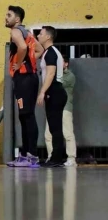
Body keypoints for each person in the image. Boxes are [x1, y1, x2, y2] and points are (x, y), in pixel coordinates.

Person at [5, 6, 43, 168]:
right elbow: (40, 50)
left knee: (26, 115)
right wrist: (28, 60)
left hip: (24, 79)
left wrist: (19, 63)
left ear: (17, 19)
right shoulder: (27, 33)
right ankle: (26, 155)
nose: (6, 18)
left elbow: (22, 47)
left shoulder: (15, 31)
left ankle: (32, 156)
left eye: (9, 15)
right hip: (31, 77)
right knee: (25, 115)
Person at [36, 26, 68, 167]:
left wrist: (42, 92)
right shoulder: (48, 52)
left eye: (41, 33)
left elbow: (50, 74)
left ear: (48, 37)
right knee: (54, 127)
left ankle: (57, 159)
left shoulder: (51, 53)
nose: (38, 35)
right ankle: (56, 157)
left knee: (55, 128)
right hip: (54, 91)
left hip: (55, 91)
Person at [45, 58, 77, 167]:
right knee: (48, 134)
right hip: (53, 107)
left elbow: (56, 85)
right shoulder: (53, 74)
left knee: (68, 133)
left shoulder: (70, 76)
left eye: (61, 62)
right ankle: (51, 156)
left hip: (65, 108)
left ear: (66, 63)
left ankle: (71, 158)